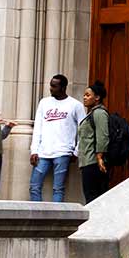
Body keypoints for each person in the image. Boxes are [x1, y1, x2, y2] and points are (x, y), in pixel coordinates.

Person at [29, 74, 85, 202]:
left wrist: (77, 151)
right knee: (34, 186)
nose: (51, 89)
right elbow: (38, 127)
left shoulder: (75, 105)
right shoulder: (44, 103)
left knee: (58, 188)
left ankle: (56, 219)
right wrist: (34, 150)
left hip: (63, 152)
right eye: (51, 85)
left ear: (63, 87)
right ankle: (37, 218)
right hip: (43, 152)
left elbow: (83, 130)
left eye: (54, 86)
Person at [76, 81, 113, 203]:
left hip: (94, 163)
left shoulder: (99, 113)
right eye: (84, 95)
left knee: (94, 198)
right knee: (90, 196)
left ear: (97, 98)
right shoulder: (92, 113)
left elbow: (103, 136)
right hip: (87, 162)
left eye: (88, 95)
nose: (84, 98)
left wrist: (100, 157)